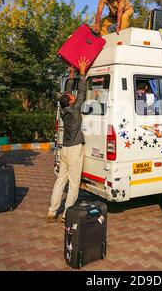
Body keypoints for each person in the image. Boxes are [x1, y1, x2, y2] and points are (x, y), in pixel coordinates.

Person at [47, 57, 90, 222]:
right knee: (73, 184)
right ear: (70, 101)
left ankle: (52, 211)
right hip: (73, 150)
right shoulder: (74, 110)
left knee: (60, 181)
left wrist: (72, 76)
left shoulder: (65, 110)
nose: (72, 96)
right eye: (70, 97)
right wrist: (82, 73)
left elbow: (69, 95)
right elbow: (81, 93)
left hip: (65, 149)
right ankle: (67, 214)